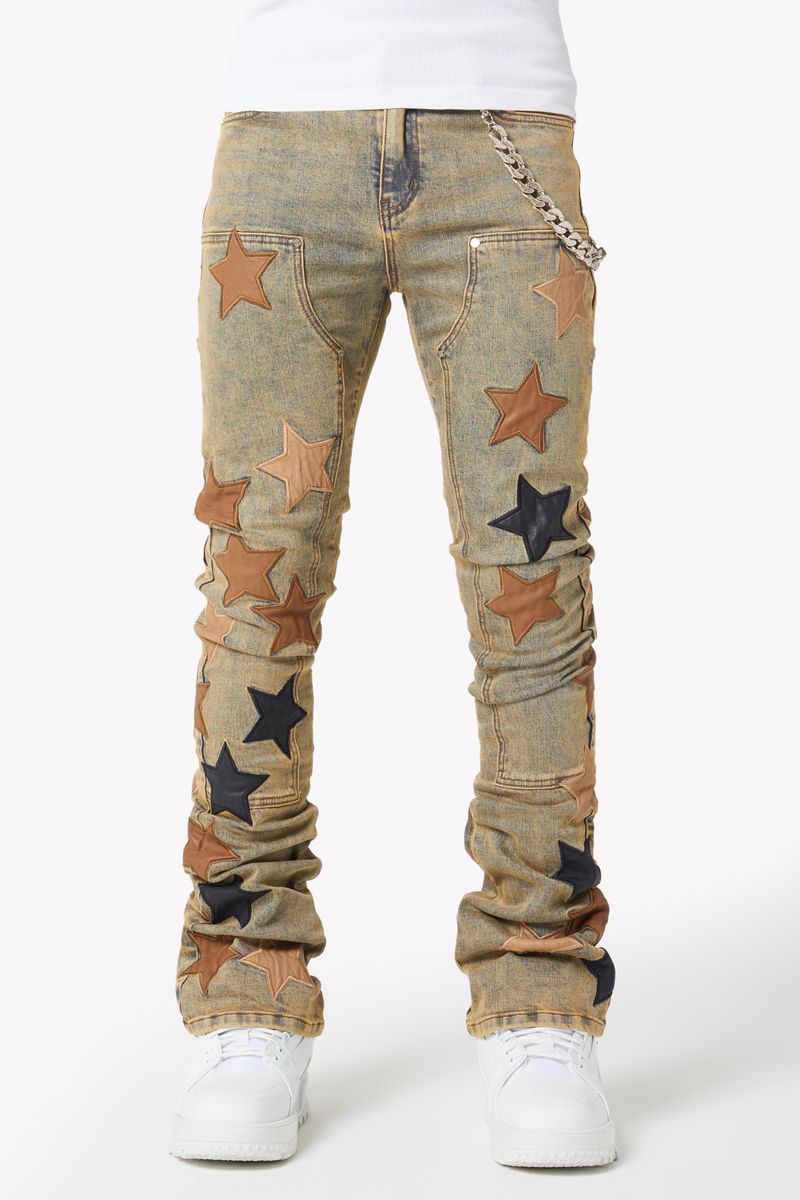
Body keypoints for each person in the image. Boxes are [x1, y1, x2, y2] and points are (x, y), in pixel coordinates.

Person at [171, 0, 616, 1169]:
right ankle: (247, 985)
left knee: (530, 583)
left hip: (502, 132)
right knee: (256, 580)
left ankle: (539, 989)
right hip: (283, 133)